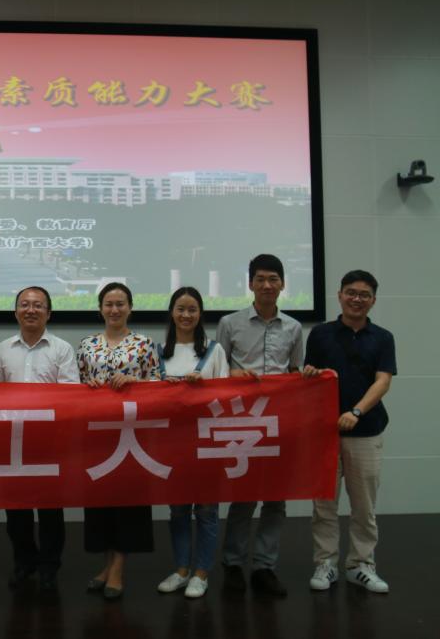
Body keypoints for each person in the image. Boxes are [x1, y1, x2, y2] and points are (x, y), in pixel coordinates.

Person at [215, 253, 303, 597]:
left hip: (281, 421)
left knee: (276, 500)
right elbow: (217, 371)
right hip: (244, 421)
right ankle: (233, 564)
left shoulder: (294, 327)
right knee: (244, 496)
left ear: (282, 284)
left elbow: (295, 372)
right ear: (250, 283)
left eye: (273, 279)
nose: (267, 285)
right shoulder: (229, 323)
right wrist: (233, 373)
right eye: (261, 279)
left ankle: (265, 567)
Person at [303, 270, 395, 594]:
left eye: (364, 295)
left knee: (364, 507)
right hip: (324, 434)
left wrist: (356, 411)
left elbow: (383, 381)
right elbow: (311, 375)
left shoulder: (383, 337)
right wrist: (309, 374)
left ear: (373, 300)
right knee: (324, 505)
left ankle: (361, 565)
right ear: (340, 295)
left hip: (366, 432)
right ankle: (325, 563)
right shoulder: (320, 334)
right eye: (351, 292)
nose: (357, 299)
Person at [0, 286, 79, 592]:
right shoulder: (3, 348)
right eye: (24, 305)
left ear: (48, 313)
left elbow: (70, 396)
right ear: (16, 311)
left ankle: (49, 566)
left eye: (38, 305)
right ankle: (24, 562)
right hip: (12, 440)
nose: (31, 310)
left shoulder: (62, 349)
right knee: (16, 508)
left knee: (51, 508)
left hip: (49, 440)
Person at [77, 282, 161, 600]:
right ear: (100, 308)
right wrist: (89, 386)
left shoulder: (145, 344)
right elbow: (76, 386)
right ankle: (106, 564)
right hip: (98, 434)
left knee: (128, 502)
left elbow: (158, 385)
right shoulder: (86, 345)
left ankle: (118, 569)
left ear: (130, 308)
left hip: (132, 433)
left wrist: (134, 381)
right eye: (109, 304)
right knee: (102, 502)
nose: (114, 309)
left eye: (120, 303)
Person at [154, 287, 229, 599]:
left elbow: (226, 398)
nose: (186, 315)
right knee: (178, 510)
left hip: (207, 440)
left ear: (200, 314)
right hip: (172, 442)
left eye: (192, 310)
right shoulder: (158, 351)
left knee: (207, 510)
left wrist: (204, 388)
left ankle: (201, 573)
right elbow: (148, 400)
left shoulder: (214, 351)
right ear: (172, 312)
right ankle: (182, 570)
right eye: (180, 309)